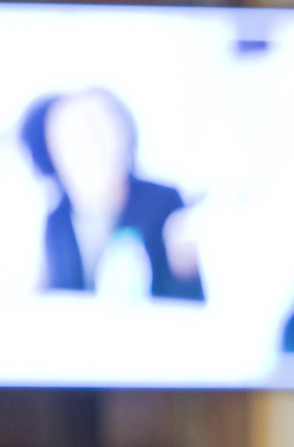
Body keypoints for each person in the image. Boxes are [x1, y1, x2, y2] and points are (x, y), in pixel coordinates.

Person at [18, 88, 204, 301]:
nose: (99, 141)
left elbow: (184, 300)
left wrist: (185, 267)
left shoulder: (164, 203)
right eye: (80, 132)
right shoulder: (56, 221)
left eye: (107, 124)